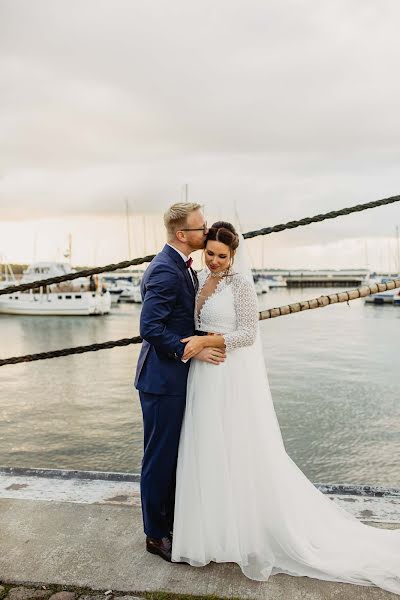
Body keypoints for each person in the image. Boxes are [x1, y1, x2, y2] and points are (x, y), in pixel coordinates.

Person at [171, 221, 400, 595]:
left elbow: (247, 333)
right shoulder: (197, 278)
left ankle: (242, 530)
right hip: (203, 378)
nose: (214, 261)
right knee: (207, 451)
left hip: (227, 378)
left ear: (234, 256)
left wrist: (203, 341)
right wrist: (198, 345)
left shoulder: (241, 285)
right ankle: (212, 531)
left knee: (236, 449)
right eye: (210, 253)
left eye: (221, 256)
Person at [134, 203, 226, 563]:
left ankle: (169, 521)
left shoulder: (182, 268)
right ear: (181, 235)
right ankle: (155, 535)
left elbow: (178, 320)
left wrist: (209, 336)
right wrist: (192, 351)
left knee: (173, 455)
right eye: (201, 229)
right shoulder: (164, 271)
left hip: (173, 377)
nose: (207, 233)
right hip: (161, 380)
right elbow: (151, 329)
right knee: (159, 458)